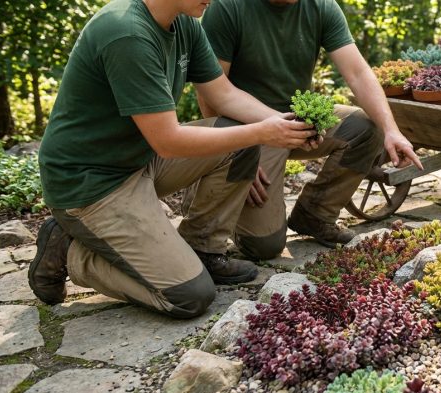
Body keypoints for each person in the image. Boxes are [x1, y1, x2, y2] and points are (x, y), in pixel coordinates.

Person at [28, 0, 319, 318]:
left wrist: (286, 125)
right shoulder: (126, 32)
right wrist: (261, 133)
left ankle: (204, 248)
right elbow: (167, 141)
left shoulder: (184, 25)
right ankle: (68, 251)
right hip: (91, 184)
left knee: (240, 135)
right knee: (189, 296)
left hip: (139, 160)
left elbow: (224, 95)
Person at [198, 0, 423, 258]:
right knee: (265, 246)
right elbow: (211, 93)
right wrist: (235, 156)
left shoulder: (321, 6)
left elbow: (358, 73)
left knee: (368, 127)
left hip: (300, 121)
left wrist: (391, 129)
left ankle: (314, 214)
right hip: (248, 131)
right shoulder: (228, 7)